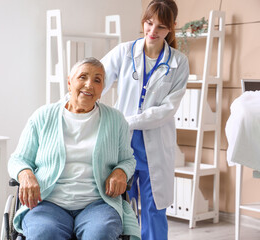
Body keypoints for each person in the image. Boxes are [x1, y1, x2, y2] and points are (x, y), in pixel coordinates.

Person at [8, 57, 141, 240]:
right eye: (83, 77)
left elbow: (128, 159)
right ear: (69, 82)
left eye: (97, 80)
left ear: (102, 89)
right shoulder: (43, 116)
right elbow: (18, 159)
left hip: (98, 203)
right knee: (44, 234)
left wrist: (121, 171)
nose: (89, 85)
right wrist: (25, 174)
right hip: (48, 202)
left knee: (100, 234)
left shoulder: (115, 120)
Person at [101, 0, 189, 239]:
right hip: (123, 146)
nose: (153, 31)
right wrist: (71, 102)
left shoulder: (178, 62)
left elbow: (167, 109)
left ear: (171, 28)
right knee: (119, 208)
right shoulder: (124, 52)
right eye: (149, 23)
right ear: (144, 21)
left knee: (154, 209)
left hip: (155, 148)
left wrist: (127, 121)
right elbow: (96, 79)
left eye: (161, 27)